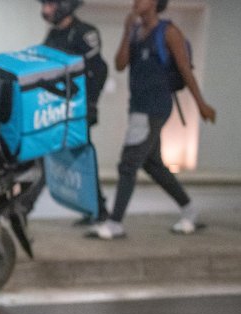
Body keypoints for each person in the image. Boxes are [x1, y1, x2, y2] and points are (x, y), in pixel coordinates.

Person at [87, 0, 216, 241]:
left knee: (128, 163)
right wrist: (126, 32)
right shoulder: (135, 32)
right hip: (138, 106)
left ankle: (115, 223)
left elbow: (186, 70)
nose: (137, 1)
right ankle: (189, 210)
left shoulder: (168, 32)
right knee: (152, 164)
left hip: (153, 108)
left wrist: (201, 104)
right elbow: (120, 64)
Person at [39, 0, 109, 224]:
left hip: (79, 109)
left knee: (82, 157)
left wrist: (90, 104)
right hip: (56, 109)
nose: (46, 10)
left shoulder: (85, 33)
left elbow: (99, 70)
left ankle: (97, 209)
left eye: (50, 4)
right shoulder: (52, 35)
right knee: (48, 155)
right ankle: (94, 209)